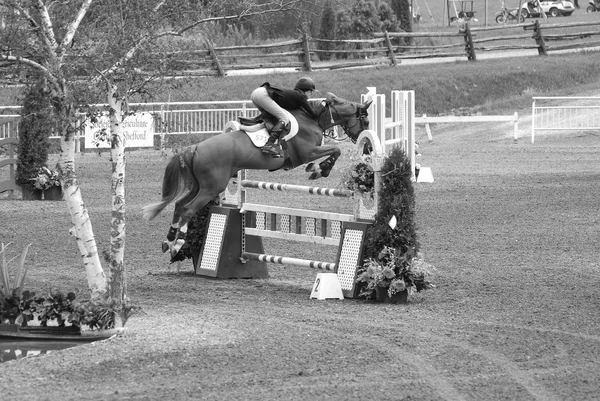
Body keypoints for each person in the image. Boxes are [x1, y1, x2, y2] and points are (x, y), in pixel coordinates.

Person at [250, 77, 318, 157]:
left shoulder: (295, 95)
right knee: (284, 118)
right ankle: (269, 145)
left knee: (272, 118)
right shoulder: (301, 96)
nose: (311, 94)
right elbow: (313, 114)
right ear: (306, 90)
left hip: (257, 93)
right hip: (263, 94)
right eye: (311, 92)